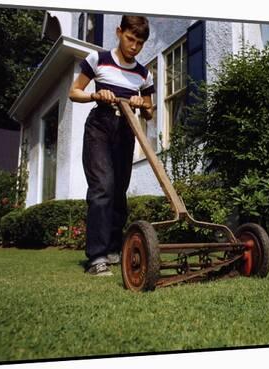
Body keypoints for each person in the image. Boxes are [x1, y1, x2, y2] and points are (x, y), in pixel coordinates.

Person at [69, 16, 154, 276]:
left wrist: (143, 105)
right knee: (102, 187)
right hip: (100, 127)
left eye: (139, 43)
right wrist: (96, 95)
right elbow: (74, 92)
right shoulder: (98, 59)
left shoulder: (143, 73)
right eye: (130, 39)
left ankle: (114, 249)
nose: (134, 47)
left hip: (127, 129)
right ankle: (96, 257)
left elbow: (150, 111)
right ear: (119, 32)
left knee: (119, 191)